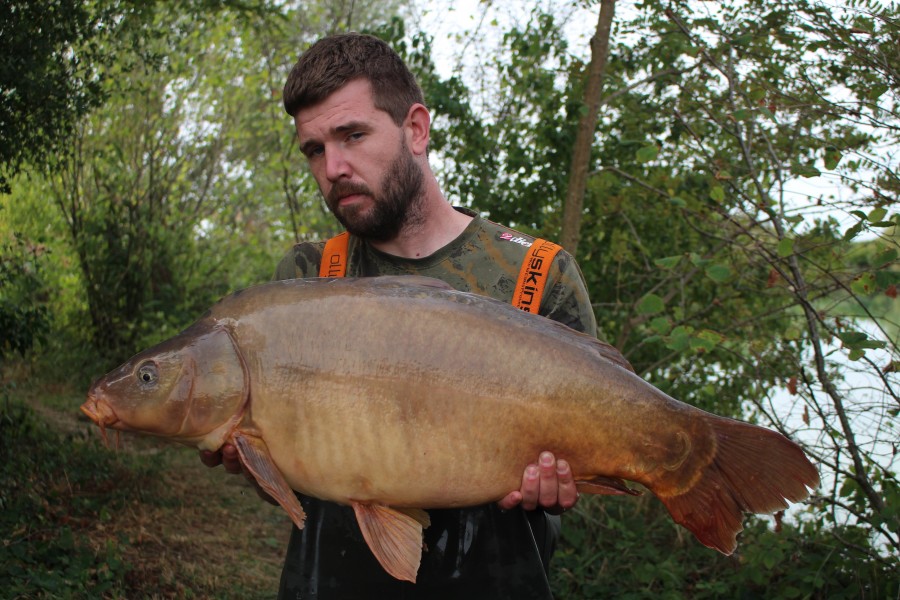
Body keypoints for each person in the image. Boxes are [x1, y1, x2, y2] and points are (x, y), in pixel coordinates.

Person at [201, 33, 598, 599]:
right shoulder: (309, 278)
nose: (333, 167)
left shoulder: (537, 274)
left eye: (353, 135)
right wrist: (256, 461)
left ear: (415, 128)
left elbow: (577, 472)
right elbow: (300, 487)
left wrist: (563, 482)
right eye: (314, 150)